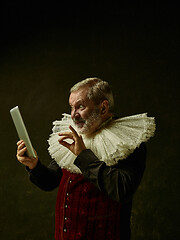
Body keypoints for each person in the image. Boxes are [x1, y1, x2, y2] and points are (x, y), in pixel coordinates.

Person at [16, 77, 155, 240]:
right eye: (71, 107)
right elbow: (51, 182)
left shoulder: (128, 142)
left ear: (103, 108)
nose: (73, 115)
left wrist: (83, 155)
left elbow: (122, 190)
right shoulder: (73, 134)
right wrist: (34, 165)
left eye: (80, 106)